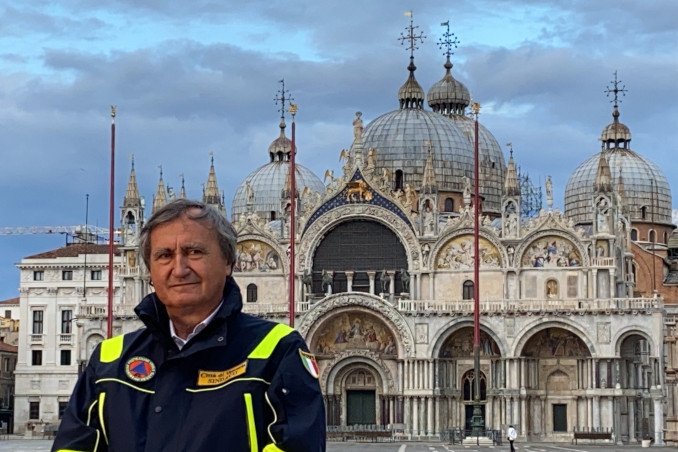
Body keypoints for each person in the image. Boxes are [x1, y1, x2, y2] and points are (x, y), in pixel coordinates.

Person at [52, 199, 326, 452]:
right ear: (149, 270)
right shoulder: (109, 358)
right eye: (164, 255)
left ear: (231, 261)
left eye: (194, 252)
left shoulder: (279, 350)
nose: (179, 268)